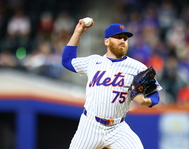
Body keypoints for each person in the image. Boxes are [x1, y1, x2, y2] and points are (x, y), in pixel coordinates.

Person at [62, 18, 162, 149]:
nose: (122, 41)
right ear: (106, 41)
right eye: (118, 37)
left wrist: (145, 101)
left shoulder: (138, 67)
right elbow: (67, 60)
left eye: (125, 38)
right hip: (90, 124)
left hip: (117, 128)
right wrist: (77, 33)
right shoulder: (93, 62)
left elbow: (155, 95)